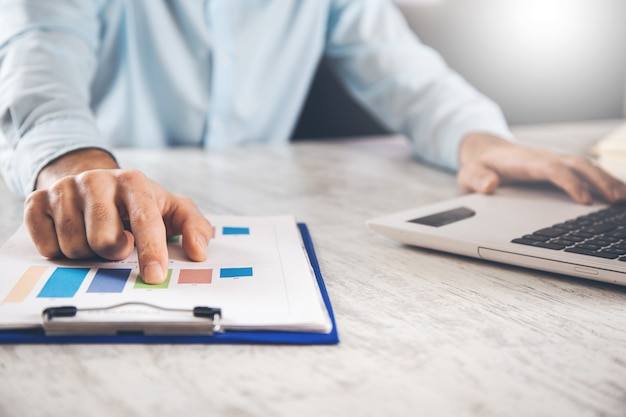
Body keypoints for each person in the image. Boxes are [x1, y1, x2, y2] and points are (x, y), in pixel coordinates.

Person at [1, 0, 625, 285]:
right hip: (112, 201)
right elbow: (39, 60)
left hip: (261, 206)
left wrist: (477, 136)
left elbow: (403, 70)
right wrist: (76, 167)